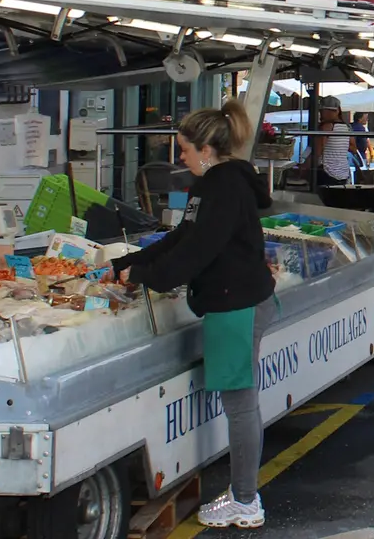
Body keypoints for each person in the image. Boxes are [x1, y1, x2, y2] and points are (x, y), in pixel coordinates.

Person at [109, 101, 276, 529]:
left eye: (183, 150)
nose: (180, 158)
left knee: (239, 405)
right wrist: (134, 259)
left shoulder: (222, 188)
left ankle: (245, 502)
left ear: (206, 148)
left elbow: (200, 251)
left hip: (234, 305)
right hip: (236, 299)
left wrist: (149, 276)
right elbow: (186, 234)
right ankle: (244, 493)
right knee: (243, 403)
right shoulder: (216, 182)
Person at [308, 96, 351, 185]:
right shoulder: (346, 127)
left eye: (322, 111)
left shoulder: (327, 127)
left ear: (332, 111)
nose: (320, 114)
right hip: (344, 174)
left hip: (327, 173)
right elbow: (353, 148)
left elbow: (317, 152)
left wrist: (303, 167)